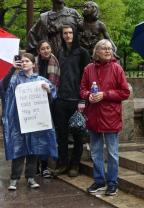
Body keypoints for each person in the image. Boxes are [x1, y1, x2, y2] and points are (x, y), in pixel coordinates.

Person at [0, 53, 58, 190]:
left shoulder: (40, 80)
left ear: (33, 64)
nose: (24, 63)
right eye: (22, 61)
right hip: (18, 122)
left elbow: (53, 93)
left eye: (27, 61)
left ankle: (31, 177)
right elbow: (3, 86)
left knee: (34, 150)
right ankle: (14, 178)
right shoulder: (14, 80)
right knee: (18, 150)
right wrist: (11, 69)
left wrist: (49, 90)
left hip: (35, 121)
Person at [80, 39, 130, 196]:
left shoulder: (117, 68)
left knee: (112, 153)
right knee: (95, 152)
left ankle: (112, 183)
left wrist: (105, 94)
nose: (108, 51)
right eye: (104, 48)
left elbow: (125, 92)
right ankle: (99, 181)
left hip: (110, 117)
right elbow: (82, 89)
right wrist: (89, 96)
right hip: (93, 116)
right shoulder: (88, 69)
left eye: (109, 49)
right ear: (96, 52)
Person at [54, 24, 90, 177]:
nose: (68, 35)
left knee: (77, 134)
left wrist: (82, 100)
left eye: (70, 33)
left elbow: (87, 77)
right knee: (61, 134)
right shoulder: (60, 52)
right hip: (61, 99)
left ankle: (75, 164)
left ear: (74, 34)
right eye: (65, 33)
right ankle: (63, 163)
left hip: (77, 100)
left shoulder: (82, 53)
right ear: (62, 35)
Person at [35, 40, 60, 178]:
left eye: (48, 48)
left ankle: (44, 166)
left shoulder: (55, 62)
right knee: (35, 134)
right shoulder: (34, 63)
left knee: (45, 134)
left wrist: (49, 88)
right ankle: (35, 165)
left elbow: (55, 84)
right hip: (35, 103)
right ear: (39, 51)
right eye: (43, 48)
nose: (46, 50)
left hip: (49, 103)